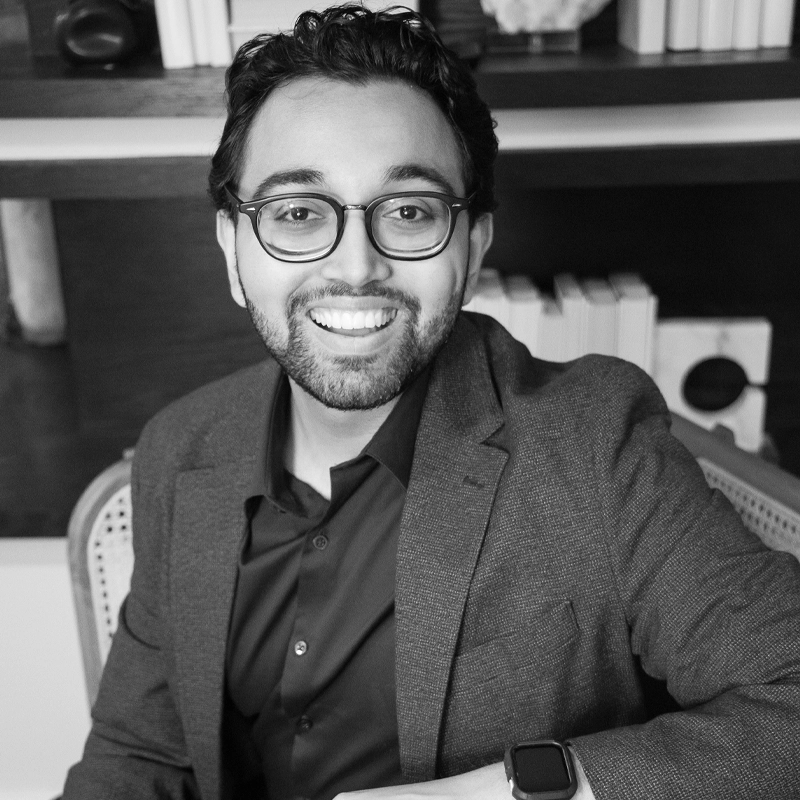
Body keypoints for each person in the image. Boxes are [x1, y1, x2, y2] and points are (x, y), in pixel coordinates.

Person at [63, 5, 800, 800]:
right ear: (233, 252)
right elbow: (141, 755)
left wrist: (490, 794)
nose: (356, 267)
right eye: (298, 214)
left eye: (409, 212)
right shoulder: (180, 445)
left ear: (473, 248)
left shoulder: (594, 438)